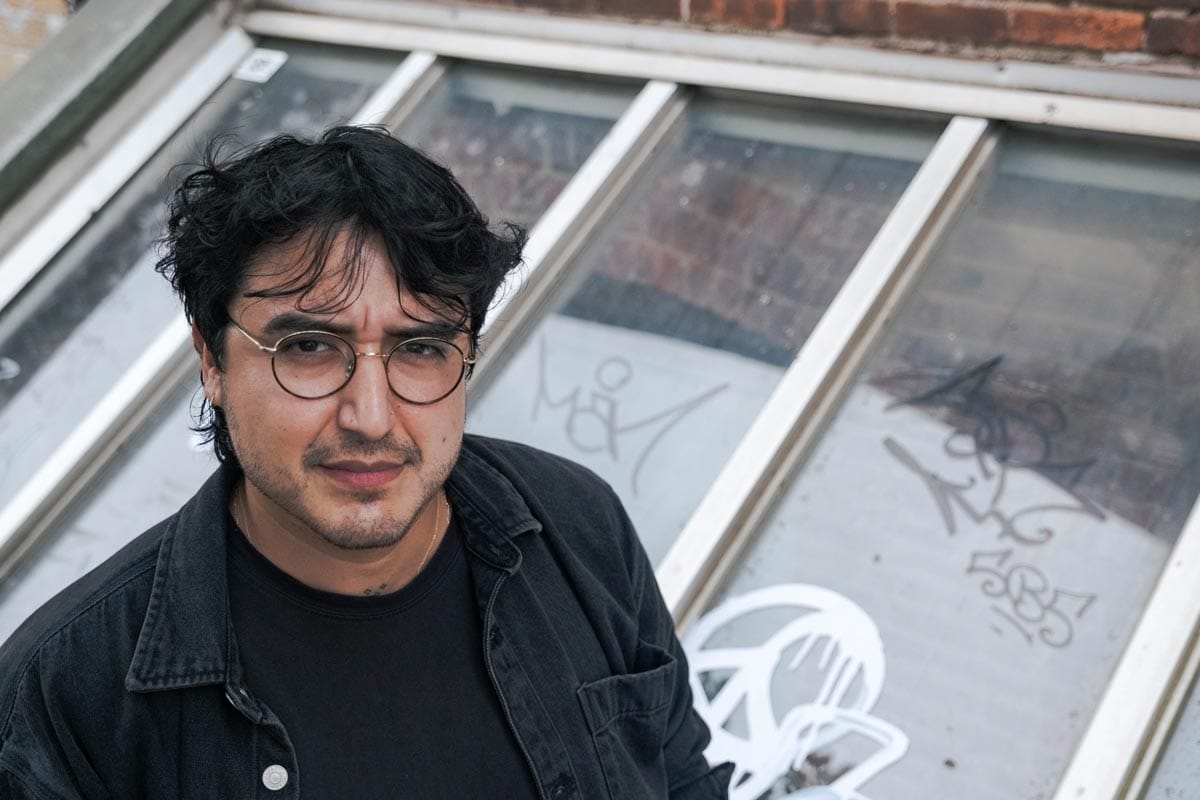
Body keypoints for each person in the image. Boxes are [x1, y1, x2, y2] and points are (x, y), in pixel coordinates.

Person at [0, 126, 732, 798]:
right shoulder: (68, 690)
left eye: (419, 348)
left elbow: (681, 777)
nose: (371, 417)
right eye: (310, 348)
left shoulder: (574, 524)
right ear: (212, 360)